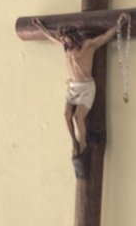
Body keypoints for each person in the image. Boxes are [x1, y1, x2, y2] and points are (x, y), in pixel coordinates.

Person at [32, 13, 129, 175]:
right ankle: (74, 143)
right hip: (72, 87)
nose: (64, 41)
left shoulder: (88, 46)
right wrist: (41, 27)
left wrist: (119, 24)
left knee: (78, 117)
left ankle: (82, 144)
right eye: (63, 40)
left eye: (66, 39)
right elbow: (52, 38)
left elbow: (105, 37)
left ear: (74, 38)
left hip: (86, 87)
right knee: (66, 115)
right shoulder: (66, 48)